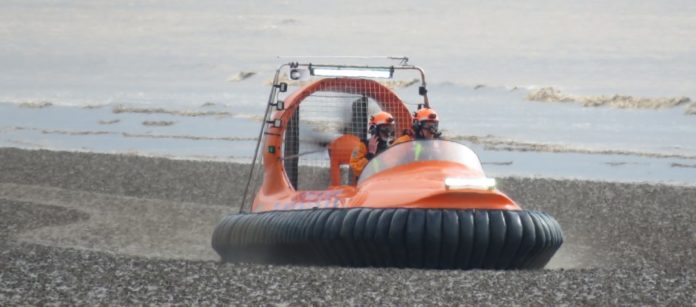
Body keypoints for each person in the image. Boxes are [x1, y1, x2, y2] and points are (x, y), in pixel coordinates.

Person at [349, 111, 395, 179]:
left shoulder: (390, 148)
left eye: (390, 128)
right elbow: (355, 169)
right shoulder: (362, 147)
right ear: (374, 130)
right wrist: (370, 155)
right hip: (367, 185)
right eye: (385, 128)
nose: (388, 133)